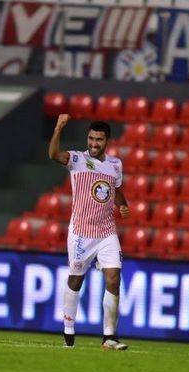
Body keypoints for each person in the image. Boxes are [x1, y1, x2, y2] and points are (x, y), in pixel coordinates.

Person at [48, 114, 131, 350]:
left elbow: (115, 190)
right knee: (76, 280)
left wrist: (122, 204)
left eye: (99, 140)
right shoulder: (77, 159)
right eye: (91, 138)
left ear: (108, 141)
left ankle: (109, 337)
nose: (94, 143)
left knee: (114, 279)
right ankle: (68, 332)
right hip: (82, 233)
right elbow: (54, 154)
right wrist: (58, 129)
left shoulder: (116, 165)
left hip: (106, 232)